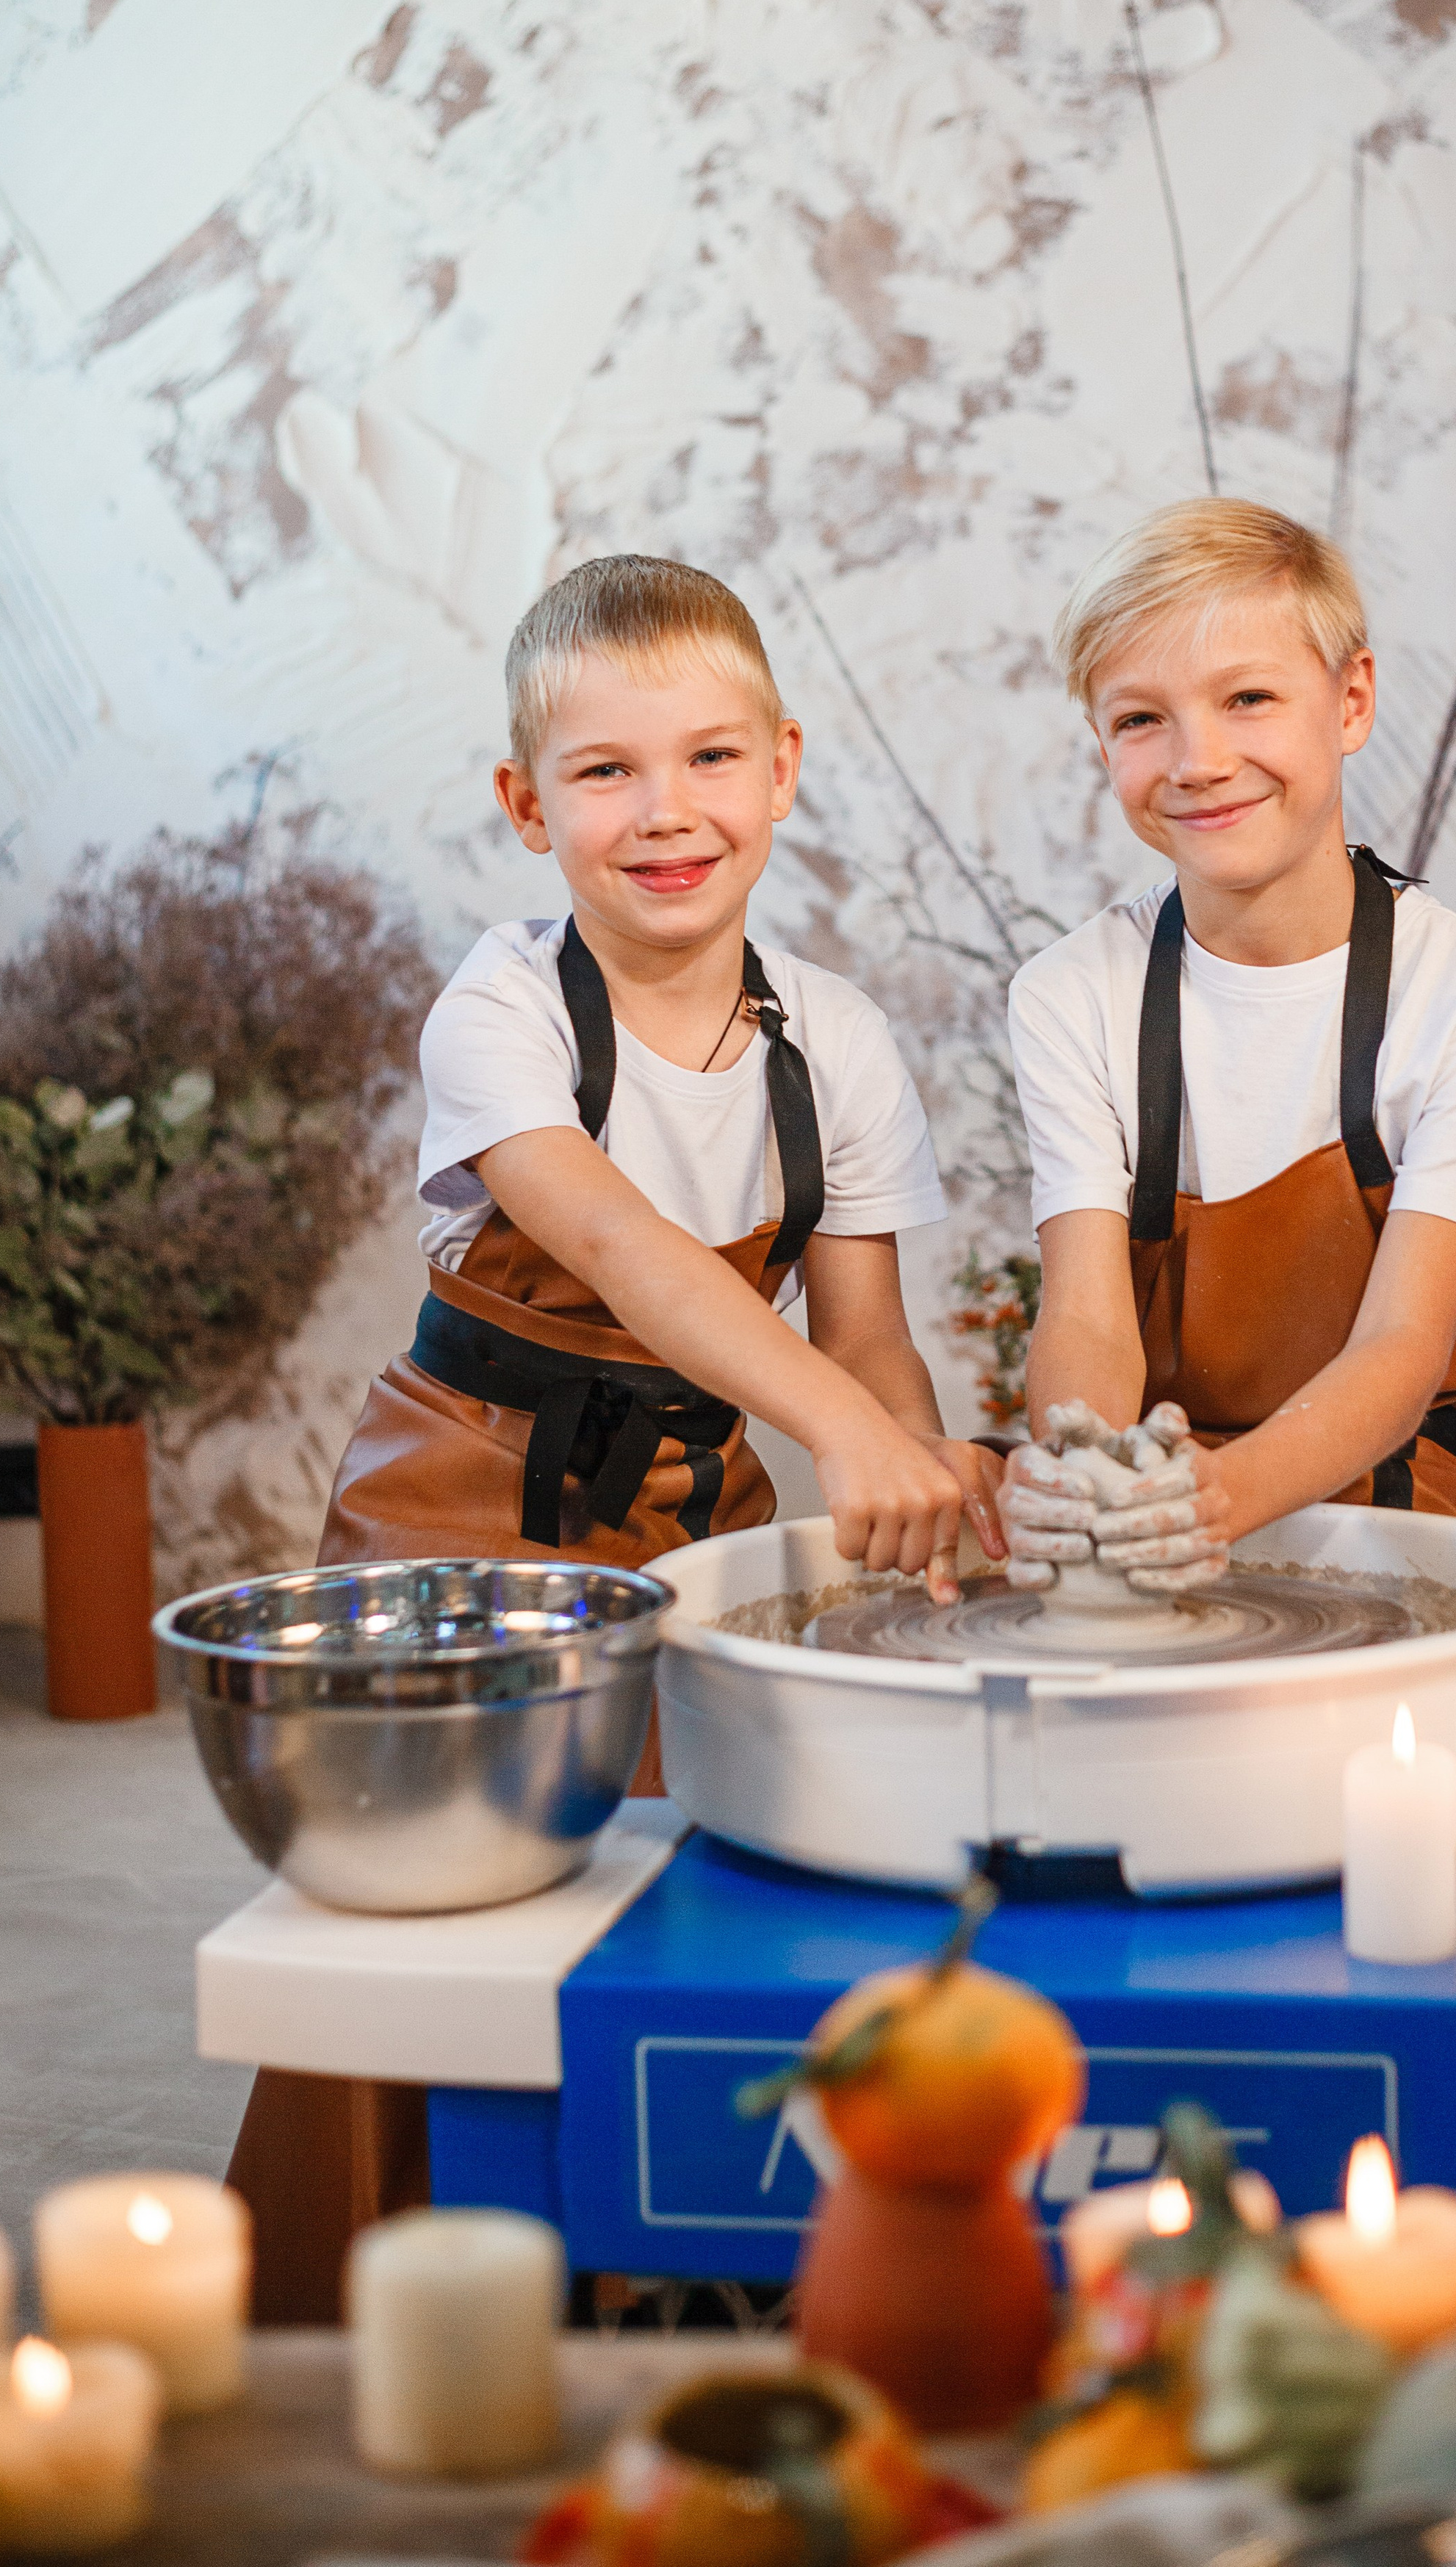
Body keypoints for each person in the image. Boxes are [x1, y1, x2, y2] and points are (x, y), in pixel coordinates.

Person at [233, 553, 1001, 2323]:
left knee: (689, 1900)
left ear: (781, 768)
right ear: (527, 805)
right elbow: (624, 1252)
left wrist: (920, 1490)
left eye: (711, 758)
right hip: (460, 1496)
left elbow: (863, 1337)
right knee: (434, 1913)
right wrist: (840, 1430)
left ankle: (661, 2291)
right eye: (605, 771)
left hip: (694, 1505)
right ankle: (361, 2310)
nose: (667, 812)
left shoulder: (834, 1044)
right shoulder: (500, 1011)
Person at [1001, 498, 1456, 1814]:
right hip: (1159, 1527)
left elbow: (1402, 1352)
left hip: (1397, 1511)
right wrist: (1090, 1483)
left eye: (1248, 698)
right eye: (1141, 719)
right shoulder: (1071, 993)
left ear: (1350, 702)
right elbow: (1088, 1320)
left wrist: (1220, 1498)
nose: (1199, 760)